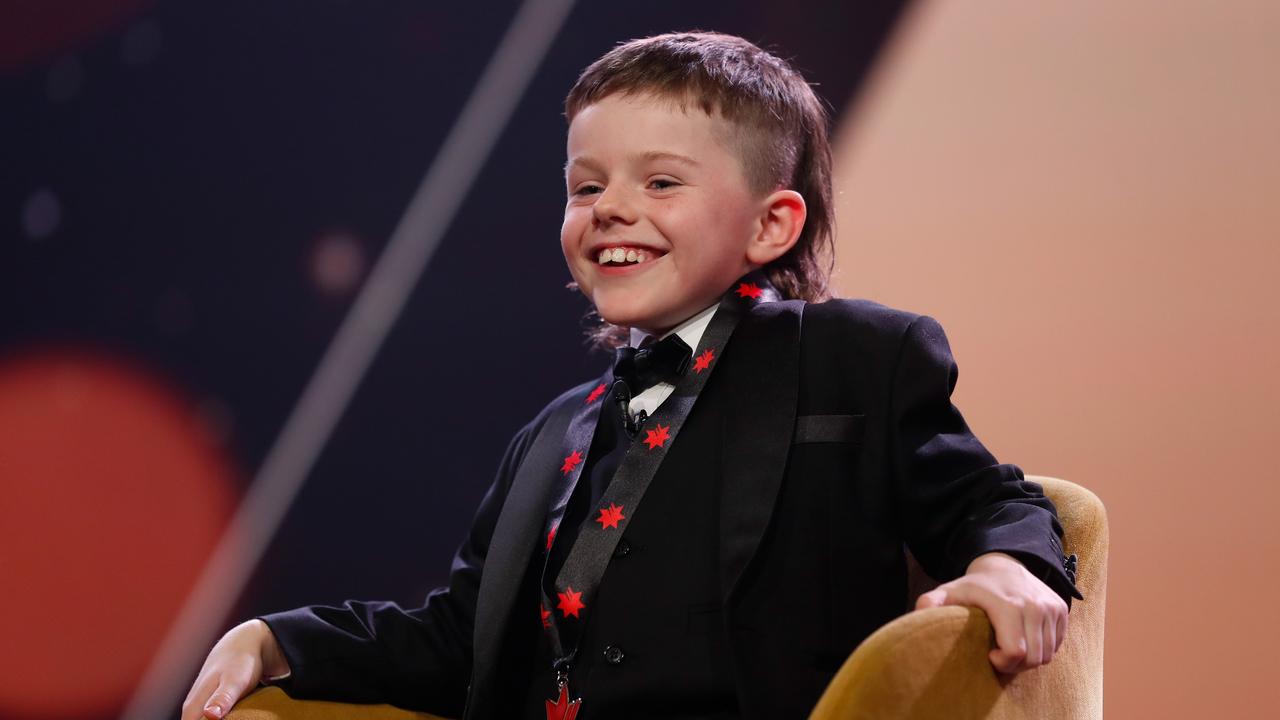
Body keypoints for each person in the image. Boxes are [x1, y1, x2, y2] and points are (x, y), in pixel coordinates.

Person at [183, 31, 1081, 720]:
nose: (610, 207)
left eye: (661, 184)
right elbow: (459, 637)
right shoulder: (551, 435)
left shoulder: (854, 362)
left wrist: (1007, 563)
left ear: (772, 226)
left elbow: (988, 500)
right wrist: (278, 639)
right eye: (585, 186)